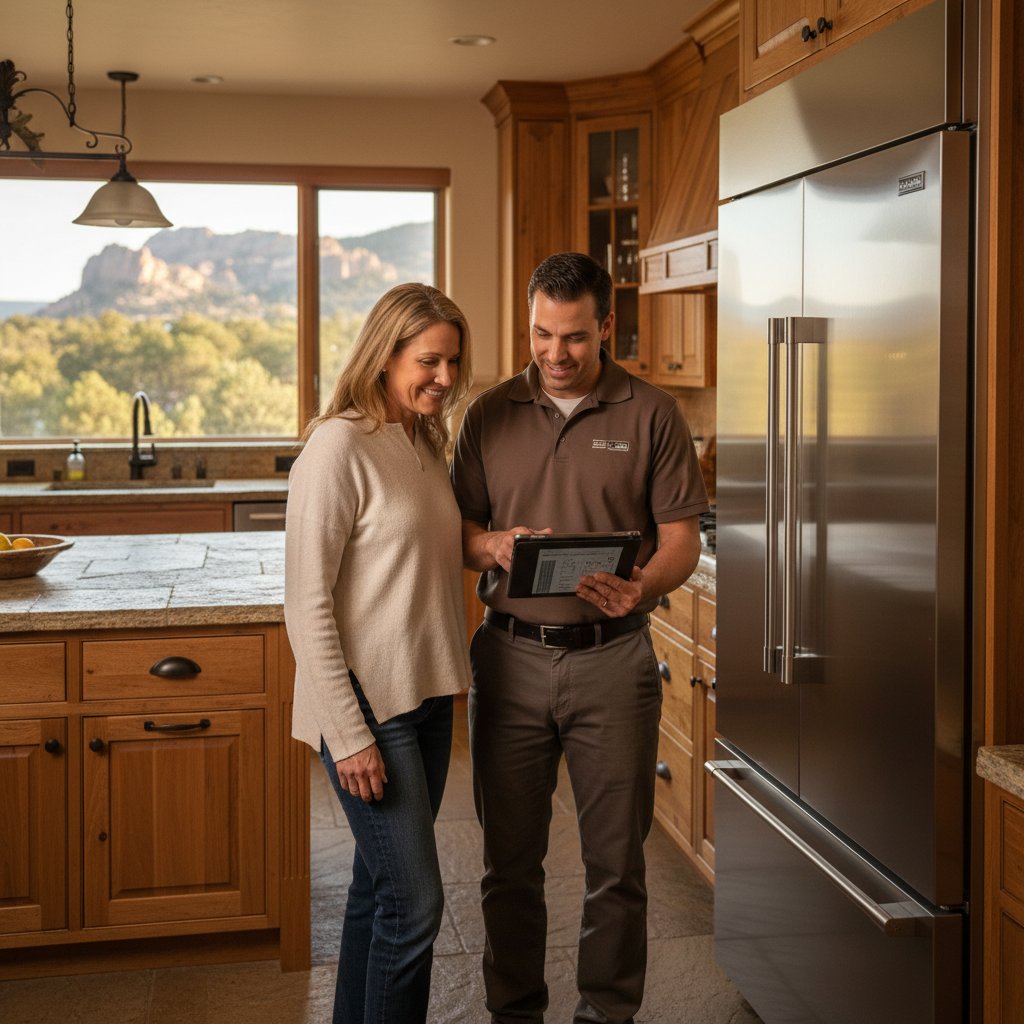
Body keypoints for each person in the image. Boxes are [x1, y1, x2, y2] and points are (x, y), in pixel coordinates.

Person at [451, 252, 708, 1024]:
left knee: (617, 867)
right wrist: (493, 545)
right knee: (508, 868)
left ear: (605, 327)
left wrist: (644, 585)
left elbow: (682, 540)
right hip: (508, 660)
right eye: (540, 335)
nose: (555, 355)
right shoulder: (488, 413)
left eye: (573, 339)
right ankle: (515, 1012)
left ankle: (606, 1013)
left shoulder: (652, 411)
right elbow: (457, 529)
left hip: (614, 660)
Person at [284, 282, 474, 1024]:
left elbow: (423, 547)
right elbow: (307, 604)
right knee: (415, 905)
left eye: (454, 362)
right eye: (430, 361)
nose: (446, 378)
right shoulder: (336, 448)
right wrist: (350, 732)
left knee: (377, 887)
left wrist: (491, 545)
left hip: (424, 699)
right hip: (368, 710)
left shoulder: (422, 441)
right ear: (385, 354)